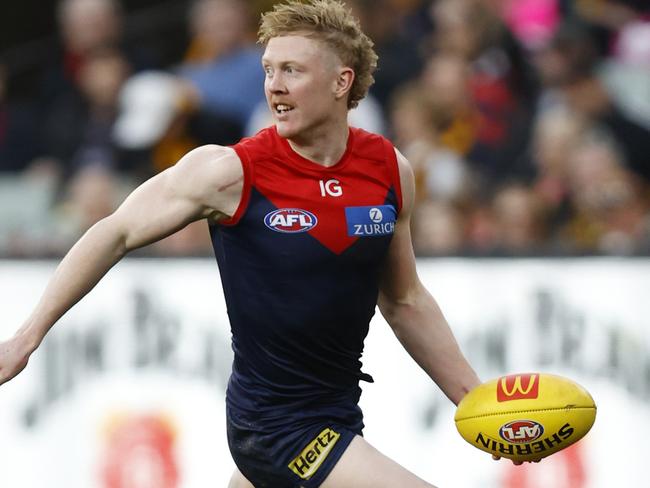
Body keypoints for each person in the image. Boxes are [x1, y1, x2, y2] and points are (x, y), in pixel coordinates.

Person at [0, 1, 485, 486]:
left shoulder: (388, 169)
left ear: (342, 82)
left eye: (292, 70)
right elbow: (116, 230)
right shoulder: (229, 171)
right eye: (269, 69)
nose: (274, 85)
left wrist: (475, 402)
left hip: (338, 418)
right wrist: (26, 337)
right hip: (275, 429)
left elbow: (404, 301)